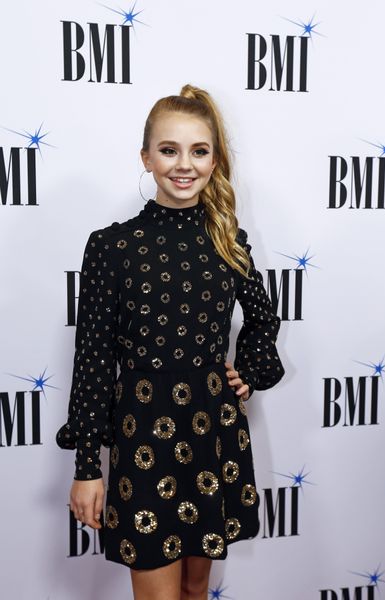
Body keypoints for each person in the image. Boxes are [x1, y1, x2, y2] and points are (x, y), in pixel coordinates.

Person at [56, 83, 285, 600]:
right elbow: (92, 361)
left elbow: (263, 319)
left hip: (213, 428)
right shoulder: (112, 247)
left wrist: (250, 368)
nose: (185, 165)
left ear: (214, 159)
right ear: (146, 157)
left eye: (199, 151)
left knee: (194, 592)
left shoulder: (229, 241)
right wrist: (88, 466)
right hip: (143, 438)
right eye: (169, 149)